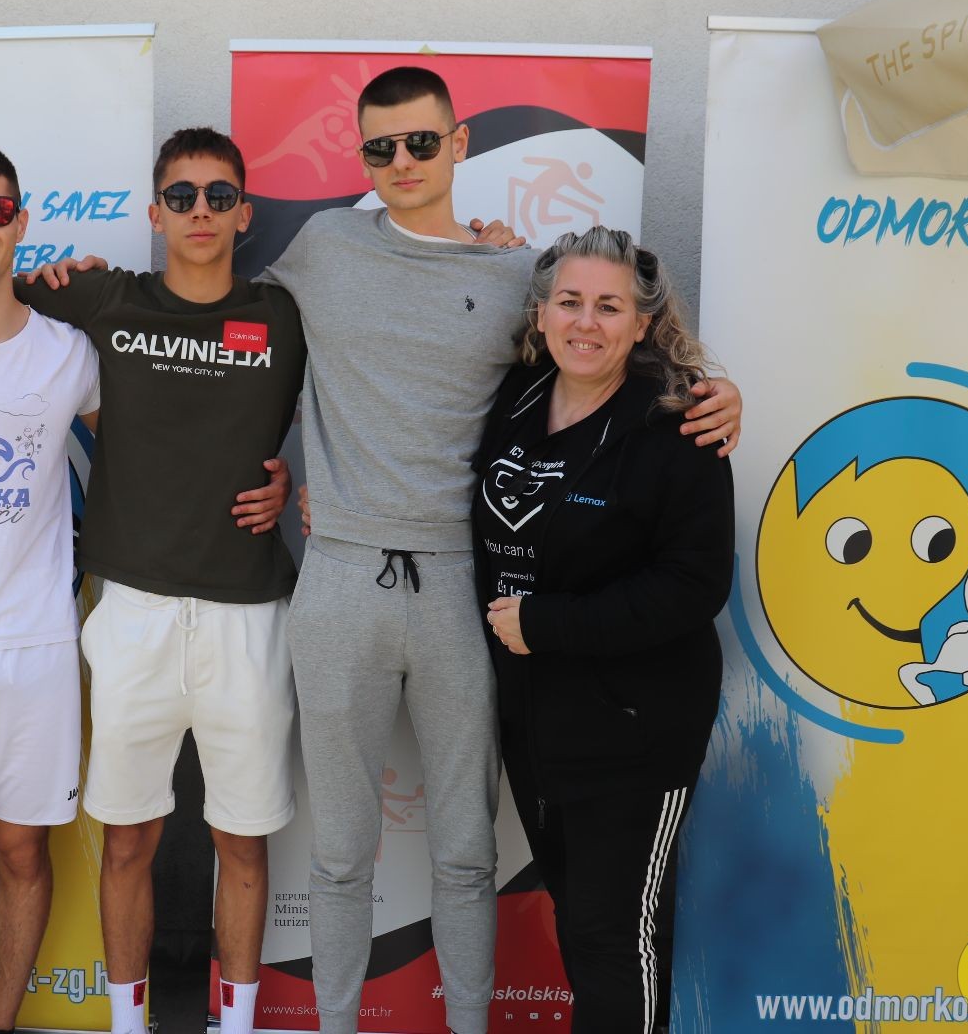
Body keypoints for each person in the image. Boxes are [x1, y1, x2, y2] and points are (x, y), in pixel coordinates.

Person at [258, 66, 741, 1034]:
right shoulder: (324, 245)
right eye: (380, 147)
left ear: (459, 143)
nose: (401, 161)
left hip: (461, 593)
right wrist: (265, 469)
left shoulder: (518, 275)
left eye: (420, 141)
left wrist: (718, 394)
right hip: (341, 577)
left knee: (467, 852)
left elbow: (610, 351)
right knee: (338, 852)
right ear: (362, 156)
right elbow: (227, 335)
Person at [0, 127, 305, 1034]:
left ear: (21, 220)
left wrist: (284, 484)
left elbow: (191, 429)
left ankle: (2, 1027)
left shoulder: (82, 345)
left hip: (54, 640)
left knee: (28, 854)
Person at [475, 226, 734, 1034]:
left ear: (643, 323)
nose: (586, 322)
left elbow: (695, 586)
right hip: (535, 719)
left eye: (609, 307)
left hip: (634, 726)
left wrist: (548, 624)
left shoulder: (680, 425)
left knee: (615, 934)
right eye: (570, 301)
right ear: (542, 313)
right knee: (578, 918)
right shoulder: (517, 397)